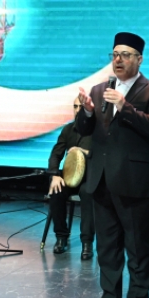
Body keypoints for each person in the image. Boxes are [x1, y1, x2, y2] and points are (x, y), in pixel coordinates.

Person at [76, 32, 149, 298]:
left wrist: (125, 106)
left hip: (134, 181)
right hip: (101, 179)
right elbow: (84, 129)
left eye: (125, 55)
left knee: (138, 247)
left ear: (139, 59)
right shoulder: (99, 89)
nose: (118, 59)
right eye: (115, 54)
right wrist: (86, 111)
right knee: (107, 246)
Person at [47, 101, 94, 259]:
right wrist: (54, 174)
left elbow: (103, 156)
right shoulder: (68, 129)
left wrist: (82, 151)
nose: (78, 109)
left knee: (88, 193)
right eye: (75, 106)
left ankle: (87, 242)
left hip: (89, 178)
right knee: (56, 191)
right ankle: (61, 237)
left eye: (81, 106)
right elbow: (56, 154)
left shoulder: (97, 130)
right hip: (70, 176)